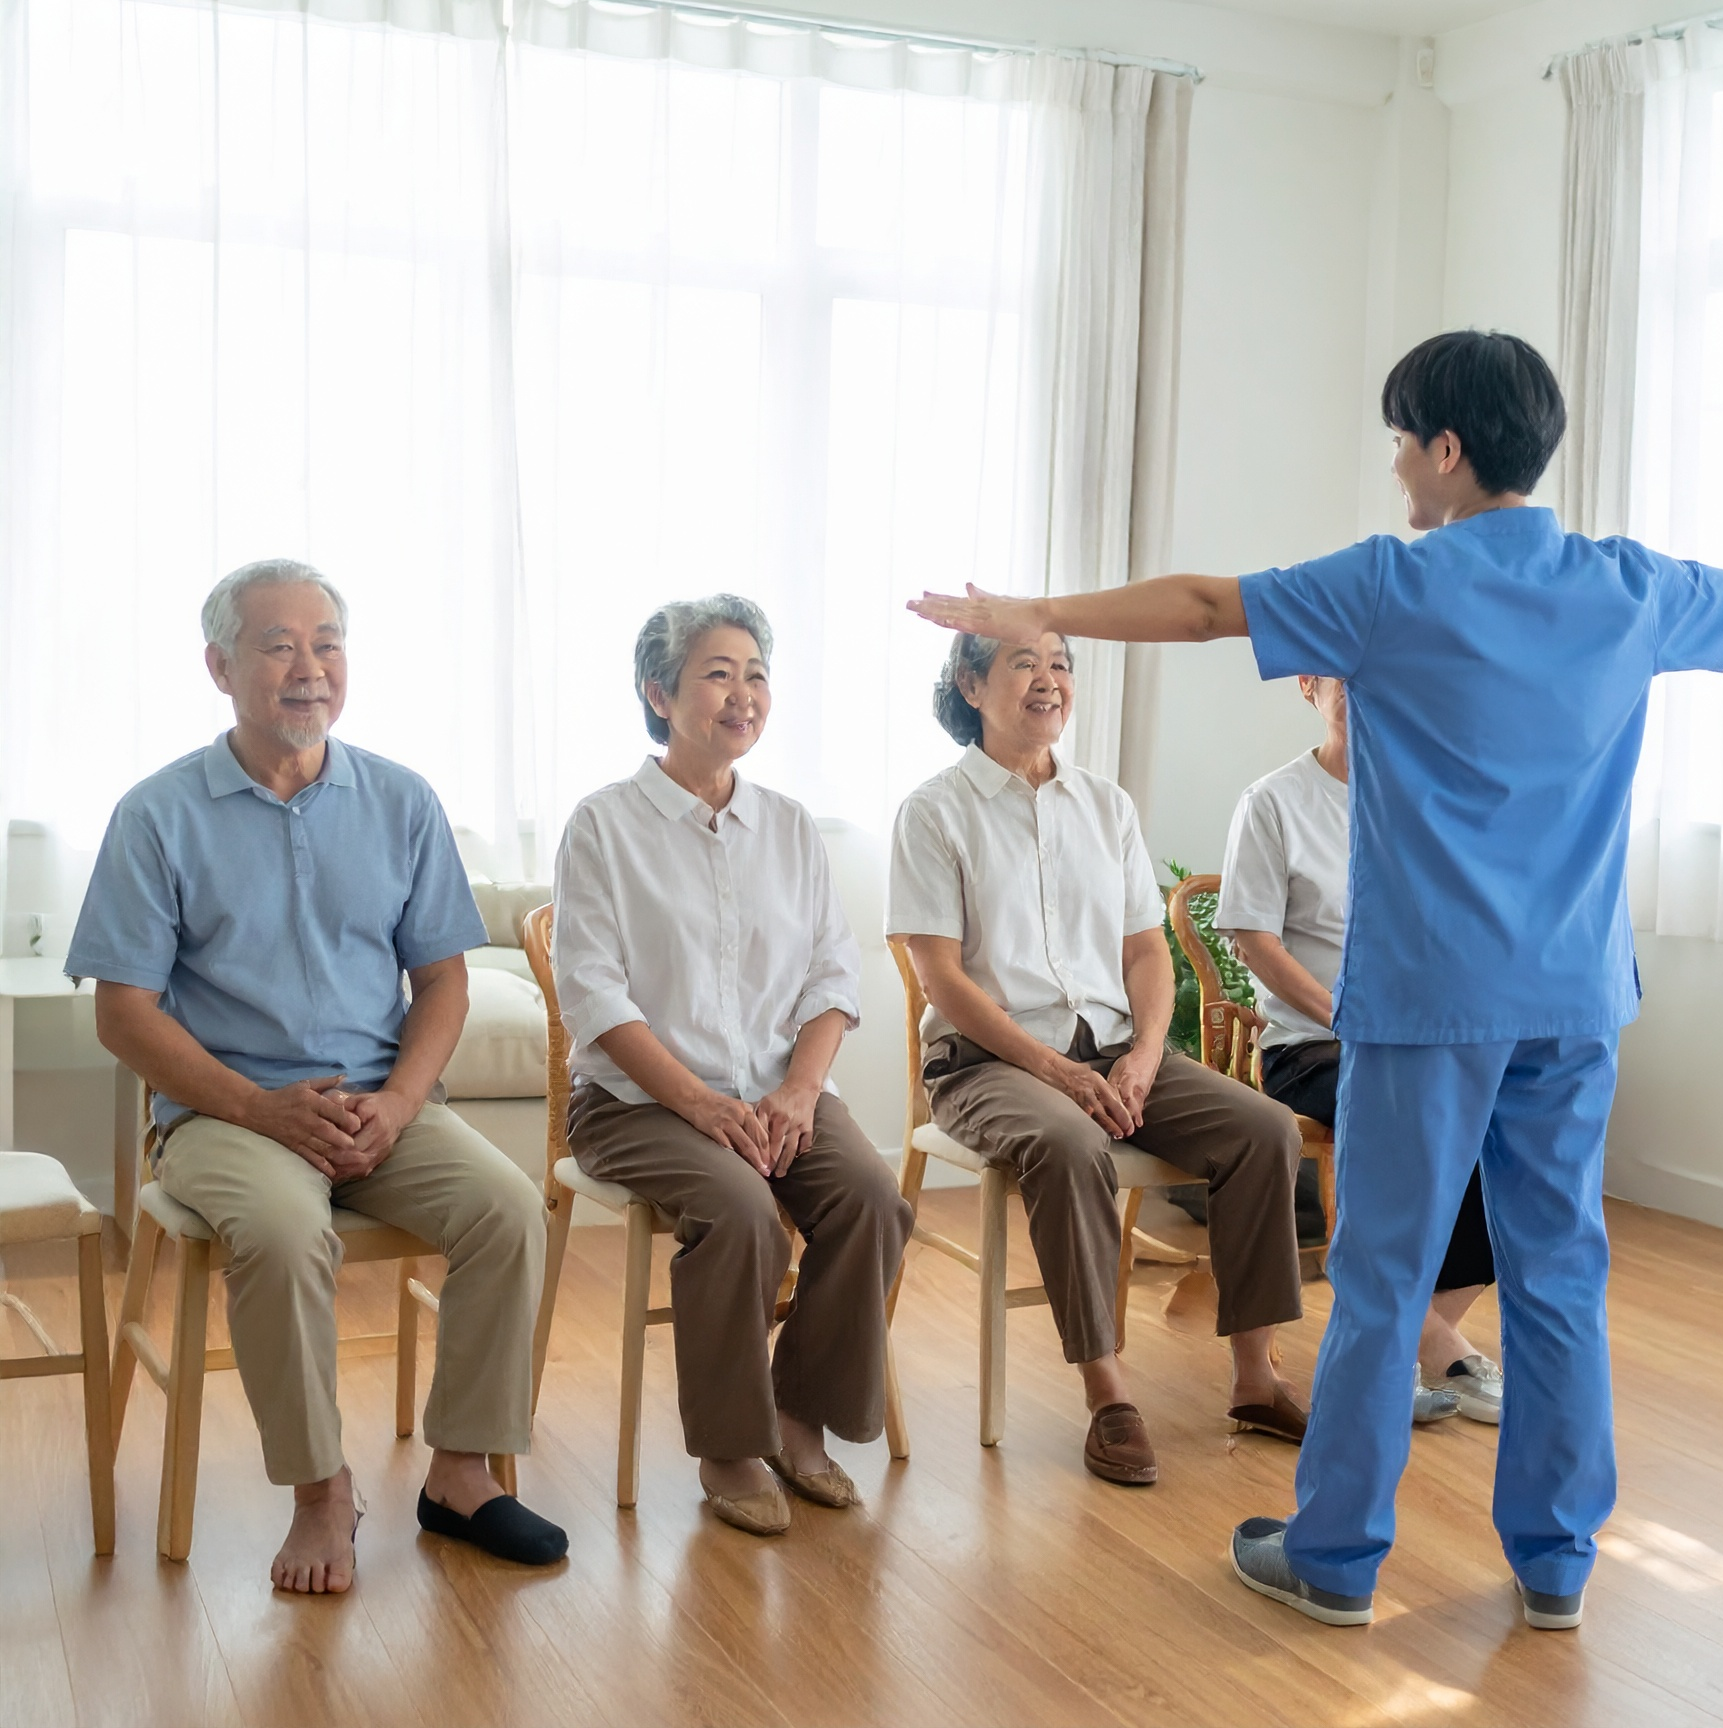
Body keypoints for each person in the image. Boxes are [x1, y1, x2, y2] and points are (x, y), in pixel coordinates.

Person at [908, 328, 1723, 1630]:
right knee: (1559, 1273)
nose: (1393, 468)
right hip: (1574, 999)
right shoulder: (1626, 585)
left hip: (1430, 1001)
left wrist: (1037, 614)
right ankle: (1555, 1565)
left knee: (1382, 1272)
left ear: (1444, 448)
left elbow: (1206, 608)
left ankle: (1335, 1557)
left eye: (1398, 441)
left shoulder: (1393, 586)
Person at [70, 559, 566, 1595]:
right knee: (289, 1231)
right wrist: (258, 1107)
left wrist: (395, 1103)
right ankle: (320, 1490)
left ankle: (463, 1474)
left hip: (376, 1105)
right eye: (278, 644)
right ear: (220, 666)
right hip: (225, 1113)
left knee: (509, 1209)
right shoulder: (157, 813)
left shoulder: (400, 799)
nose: (309, 668)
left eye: (327, 642)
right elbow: (124, 1013)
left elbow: (442, 982)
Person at [886, 630, 1307, 1485]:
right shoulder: (934, 811)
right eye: (1023, 663)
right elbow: (942, 979)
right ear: (971, 683)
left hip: (1114, 1047)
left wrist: (1147, 1053)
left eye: (1061, 664)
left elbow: (1145, 952)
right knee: (1070, 1143)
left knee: (1262, 1130)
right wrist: (1054, 1071)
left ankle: (1256, 1378)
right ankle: (1109, 1392)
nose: (1049, 681)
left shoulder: (1106, 805)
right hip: (984, 1062)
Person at [551, 596, 910, 1537]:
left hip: (778, 1092)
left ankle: (800, 1418)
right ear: (658, 693)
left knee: (872, 1194)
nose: (743, 694)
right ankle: (726, 1446)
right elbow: (593, 995)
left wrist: (800, 1089)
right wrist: (702, 1103)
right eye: (718, 674)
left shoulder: (790, 827)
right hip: (637, 1102)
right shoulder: (603, 825)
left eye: (755, 675)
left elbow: (834, 973)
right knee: (746, 1212)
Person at [1217, 674, 1502, 1427]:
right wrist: (1348, 1017)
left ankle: (1418, 1337)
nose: (1361, 687)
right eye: (1338, 672)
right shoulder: (1272, 801)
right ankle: (1406, 1348)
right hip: (1314, 1046)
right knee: (1408, 1115)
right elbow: (1253, 939)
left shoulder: (1424, 798)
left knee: (1511, 1121)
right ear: (1308, 687)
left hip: (1417, 1037)